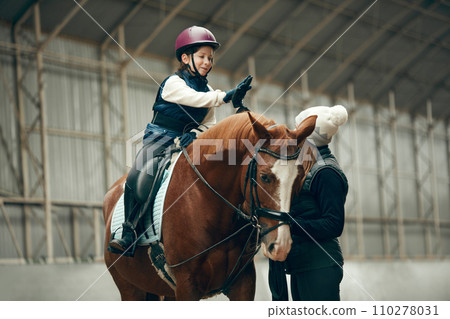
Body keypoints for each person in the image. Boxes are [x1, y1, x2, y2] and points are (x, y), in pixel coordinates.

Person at [108, 26, 252, 257]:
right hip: (159, 139)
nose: (207, 62)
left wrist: (196, 134)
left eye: (210, 58)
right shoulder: (173, 83)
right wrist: (226, 96)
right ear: (185, 58)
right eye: (202, 57)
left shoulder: (208, 90)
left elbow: (209, 123)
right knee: (139, 175)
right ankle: (128, 231)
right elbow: (195, 99)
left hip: (188, 142)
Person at [269, 105, 349, 301]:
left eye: (299, 131)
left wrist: (289, 224)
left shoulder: (326, 173)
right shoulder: (307, 167)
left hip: (319, 266)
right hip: (303, 264)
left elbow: (334, 224)